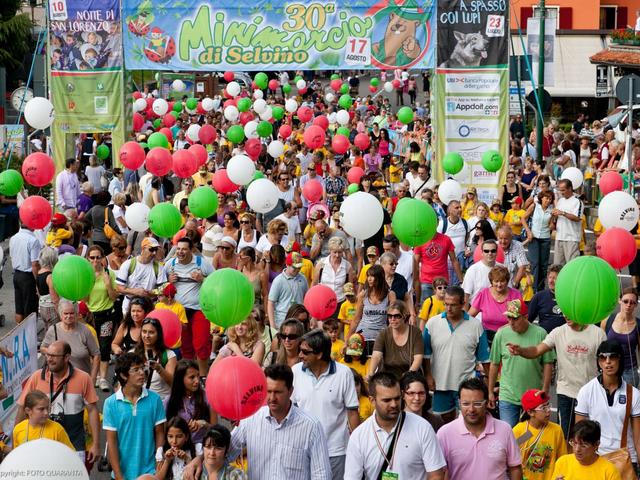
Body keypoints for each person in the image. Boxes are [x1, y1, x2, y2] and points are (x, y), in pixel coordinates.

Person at [184, 364, 332, 480]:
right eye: (268, 391)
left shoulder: (311, 426)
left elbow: (321, 474)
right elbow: (226, 450)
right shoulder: (251, 419)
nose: (272, 398)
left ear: (291, 391)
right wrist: (198, 460)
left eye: (278, 392)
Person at [507, 315, 605, 441]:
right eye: (563, 311)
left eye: (569, 311)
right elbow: (537, 350)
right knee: (565, 436)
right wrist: (521, 351)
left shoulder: (598, 334)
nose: (565, 315)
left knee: (588, 437)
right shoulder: (558, 332)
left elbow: (605, 362)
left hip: (590, 394)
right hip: (566, 393)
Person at [344, 371, 446, 480]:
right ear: (372, 400)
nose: (394, 404)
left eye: (397, 398)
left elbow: (436, 475)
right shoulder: (359, 436)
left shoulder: (422, 428)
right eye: (387, 400)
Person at [17, 340, 101, 463]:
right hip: (43, 448)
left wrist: (96, 444)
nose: (49, 359)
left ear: (67, 357)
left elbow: (93, 411)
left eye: (54, 356)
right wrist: (17, 446)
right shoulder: (36, 377)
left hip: (74, 446)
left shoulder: (83, 378)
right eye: (47, 355)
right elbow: (22, 407)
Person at [292, 329, 360, 480]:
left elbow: (352, 412)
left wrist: (357, 448)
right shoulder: (295, 371)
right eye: (300, 350)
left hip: (335, 452)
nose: (300, 355)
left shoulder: (344, 373)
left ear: (319, 354)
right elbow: (292, 410)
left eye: (304, 351)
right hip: (303, 451)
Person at [424, 286, 490, 423]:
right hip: (440, 384)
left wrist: (489, 385)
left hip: (467, 385)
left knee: (468, 422)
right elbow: (425, 354)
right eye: (446, 304)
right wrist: (428, 376)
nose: (448, 308)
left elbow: (485, 358)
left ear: (462, 304)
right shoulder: (432, 324)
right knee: (442, 423)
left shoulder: (476, 325)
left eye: (453, 305)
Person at [437, 377, 523, 479]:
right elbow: (439, 473)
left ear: (487, 403)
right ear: (459, 403)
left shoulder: (505, 430)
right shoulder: (445, 433)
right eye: (466, 404)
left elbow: (515, 467)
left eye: (477, 404)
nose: (471, 409)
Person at [488, 299, 555, 427]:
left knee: (530, 435)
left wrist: (545, 389)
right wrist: (490, 391)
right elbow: (494, 363)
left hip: (533, 395)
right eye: (509, 318)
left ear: (526, 317)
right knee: (509, 433)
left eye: (515, 318)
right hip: (508, 395)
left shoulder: (540, 333)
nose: (511, 323)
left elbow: (548, 363)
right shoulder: (501, 334)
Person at [575, 340, 640, 467]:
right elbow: (579, 433)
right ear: (599, 362)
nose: (608, 361)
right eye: (603, 357)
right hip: (595, 458)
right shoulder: (586, 391)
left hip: (626, 458)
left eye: (613, 357)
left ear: (620, 360)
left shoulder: (634, 394)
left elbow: (638, 438)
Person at [103, 352, 166, 480]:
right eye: (136, 370)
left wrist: (159, 458)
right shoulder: (110, 403)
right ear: (123, 375)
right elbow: (112, 442)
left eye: (142, 368)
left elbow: (160, 432)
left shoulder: (155, 399)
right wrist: (119, 475)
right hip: (121, 474)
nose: (142, 373)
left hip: (149, 472)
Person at [157, 237, 214, 376]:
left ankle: (203, 377)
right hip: (179, 312)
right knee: (186, 347)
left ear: (192, 250)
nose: (180, 252)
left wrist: (203, 279)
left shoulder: (201, 263)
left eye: (184, 249)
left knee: (201, 345)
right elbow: (160, 288)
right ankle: (190, 377)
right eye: (178, 249)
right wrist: (167, 281)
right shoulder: (170, 264)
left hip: (199, 310)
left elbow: (216, 284)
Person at [512, 389, 567, 480]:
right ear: (530, 412)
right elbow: (512, 458)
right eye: (543, 408)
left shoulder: (556, 430)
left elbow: (562, 459)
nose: (548, 410)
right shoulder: (522, 431)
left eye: (548, 405)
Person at [41, 300, 100, 385]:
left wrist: (92, 379)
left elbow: (96, 355)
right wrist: (54, 353)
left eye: (72, 313)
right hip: (58, 381)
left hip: (81, 381)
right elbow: (42, 348)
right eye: (66, 313)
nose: (69, 316)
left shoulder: (85, 330)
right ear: (61, 315)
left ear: (76, 314)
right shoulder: (53, 330)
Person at [85, 244, 119, 391]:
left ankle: (103, 377)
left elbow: (113, 297)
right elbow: (84, 299)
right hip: (90, 316)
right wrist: (89, 283)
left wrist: (108, 285)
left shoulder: (109, 274)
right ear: (88, 258)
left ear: (103, 258)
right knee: (92, 347)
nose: (95, 260)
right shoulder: (85, 275)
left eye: (98, 257)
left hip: (106, 315)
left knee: (104, 346)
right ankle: (96, 375)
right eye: (92, 257)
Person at [367, 301, 423, 381]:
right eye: (390, 316)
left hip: (411, 376)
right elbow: (376, 355)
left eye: (397, 316)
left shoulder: (415, 333)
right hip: (388, 377)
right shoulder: (383, 333)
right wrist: (371, 373)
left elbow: (418, 358)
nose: (392, 319)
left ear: (404, 316)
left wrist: (407, 377)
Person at [348, 265, 397, 355]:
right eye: (368, 276)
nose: (369, 279)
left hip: (380, 336)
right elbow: (356, 319)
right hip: (361, 335)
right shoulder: (363, 295)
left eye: (372, 276)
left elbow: (393, 320)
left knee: (377, 365)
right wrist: (347, 340)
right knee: (355, 363)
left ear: (379, 277)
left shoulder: (390, 295)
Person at [165, 360, 216, 447]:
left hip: (202, 448)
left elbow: (216, 431)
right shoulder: (169, 401)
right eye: (192, 377)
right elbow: (165, 432)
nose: (197, 381)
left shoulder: (208, 397)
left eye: (198, 376)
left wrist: (204, 424)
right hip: (178, 450)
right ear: (180, 379)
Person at [552, 420, 622, 480]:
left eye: (583, 445)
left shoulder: (609, 471)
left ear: (596, 445)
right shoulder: (562, 462)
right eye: (574, 443)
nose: (577, 449)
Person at [468, 265, 523, 341]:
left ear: (507, 281)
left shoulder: (514, 295)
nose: (499, 284)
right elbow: (470, 316)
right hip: (486, 337)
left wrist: (500, 331)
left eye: (502, 281)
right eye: (496, 281)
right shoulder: (484, 294)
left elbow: (514, 321)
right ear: (491, 282)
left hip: (508, 336)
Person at [601, 288, 640, 388]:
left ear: (636, 305)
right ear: (619, 300)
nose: (628, 305)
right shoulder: (608, 320)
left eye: (632, 302)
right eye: (625, 301)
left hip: (629, 371)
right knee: (608, 401)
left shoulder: (638, 324)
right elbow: (601, 346)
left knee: (629, 402)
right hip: (609, 369)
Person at [116, 236, 162, 314]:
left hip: (149, 306)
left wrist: (150, 292)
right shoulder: (128, 264)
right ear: (143, 249)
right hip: (130, 306)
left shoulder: (159, 267)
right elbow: (118, 287)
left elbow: (162, 289)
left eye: (156, 250)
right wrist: (135, 291)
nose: (154, 253)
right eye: (151, 249)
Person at [414, 229, 461, 304]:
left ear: (437, 222)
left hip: (443, 281)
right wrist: (415, 281)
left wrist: (461, 280)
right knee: (427, 307)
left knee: (444, 307)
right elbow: (415, 262)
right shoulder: (420, 240)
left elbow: (454, 260)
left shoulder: (446, 239)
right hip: (426, 281)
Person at [136, 317, 177, 401]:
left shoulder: (169, 355)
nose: (147, 336)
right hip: (139, 401)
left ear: (158, 334)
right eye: (144, 332)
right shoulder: (133, 353)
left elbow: (173, 383)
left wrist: (159, 369)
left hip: (161, 402)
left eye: (151, 332)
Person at [521, 191, 554, 292]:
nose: (548, 200)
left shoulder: (552, 210)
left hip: (545, 238)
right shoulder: (535, 206)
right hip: (534, 238)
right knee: (535, 263)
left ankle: (541, 288)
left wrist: (552, 225)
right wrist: (528, 231)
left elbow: (551, 224)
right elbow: (523, 218)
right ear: (541, 198)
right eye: (546, 198)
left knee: (544, 265)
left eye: (550, 199)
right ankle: (533, 289)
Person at [9, 221, 41, 323]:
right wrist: (38, 282)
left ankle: (19, 332)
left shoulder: (13, 238)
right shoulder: (33, 240)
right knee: (30, 310)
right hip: (28, 277)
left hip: (17, 275)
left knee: (19, 308)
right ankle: (30, 336)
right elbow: (34, 264)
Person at [267, 252, 308, 329]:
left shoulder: (303, 278)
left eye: (299, 268)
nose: (297, 270)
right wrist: (272, 325)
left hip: (299, 321)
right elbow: (271, 303)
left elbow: (307, 298)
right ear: (287, 265)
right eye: (294, 268)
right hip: (282, 321)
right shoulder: (278, 280)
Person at [313, 237, 355, 309]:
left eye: (340, 252)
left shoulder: (347, 266)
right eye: (335, 252)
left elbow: (350, 286)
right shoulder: (321, 264)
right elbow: (314, 284)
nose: (337, 255)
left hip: (340, 303)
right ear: (330, 251)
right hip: (323, 303)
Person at [462, 239, 502, 305]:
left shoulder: (502, 268)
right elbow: (466, 295)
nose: (490, 253)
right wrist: (466, 315)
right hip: (477, 312)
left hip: (498, 310)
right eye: (486, 251)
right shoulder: (473, 270)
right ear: (482, 253)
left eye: (493, 251)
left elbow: (508, 292)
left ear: (497, 252)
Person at [552, 179, 583, 265]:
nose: (561, 192)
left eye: (563, 190)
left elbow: (577, 218)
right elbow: (557, 217)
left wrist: (562, 213)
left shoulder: (577, 201)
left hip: (571, 238)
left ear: (570, 188)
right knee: (557, 266)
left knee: (571, 266)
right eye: (560, 190)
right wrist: (554, 216)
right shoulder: (560, 201)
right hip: (559, 236)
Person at [36, 246, 60, 332]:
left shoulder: (39, 273)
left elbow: (38, 292)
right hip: (51, 308)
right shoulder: (50, 276)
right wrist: (60, 312)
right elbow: (54, 299)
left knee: (48, 331)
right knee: (55, 333)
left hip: (42, 307)